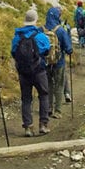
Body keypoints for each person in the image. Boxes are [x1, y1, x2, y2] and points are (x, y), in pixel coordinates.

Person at [11, 8, 52, 137]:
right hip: (39, 71)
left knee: (26, 99)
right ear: (35, 20)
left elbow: (13, 52)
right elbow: (47, 50)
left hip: (23, 72)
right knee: (43, 95)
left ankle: (28, 127)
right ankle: (43, 125)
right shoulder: (40, 36)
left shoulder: (17, 37)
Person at [44, 7, 73, 119]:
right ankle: (58, 110)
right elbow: (69, 48)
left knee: (49, 85)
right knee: (59, 85)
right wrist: (68, 51)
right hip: (59, 62)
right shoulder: (60, 30)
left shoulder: (42, 29)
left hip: (46, 62)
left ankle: (49, 108)